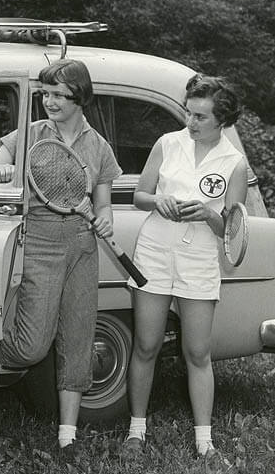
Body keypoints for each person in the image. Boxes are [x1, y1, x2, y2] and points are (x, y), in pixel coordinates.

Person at [0, 60, 122, 457]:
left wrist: (104, 219)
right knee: (31, 347)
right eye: (45, 93)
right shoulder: (30, 133)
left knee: (78, 336)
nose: (49, 101)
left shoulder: (98, 146)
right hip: (37, 241)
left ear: (80, 98)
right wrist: (1, 171)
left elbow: (103, 203)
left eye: (58, 95)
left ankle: (67, 435)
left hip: (81, 246)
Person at [124, 74, 247, 458]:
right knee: (146, 345)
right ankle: (136, 432)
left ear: (222, 121)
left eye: (200, 118)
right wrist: (157, 202)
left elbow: (232, 228)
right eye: (189, 114)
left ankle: (204, 442)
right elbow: (139, 195)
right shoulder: (168, 143)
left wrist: (207, 216)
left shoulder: (234, 163)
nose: (190, 124)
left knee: (197, 352)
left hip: (198, 261)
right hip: (156, 252)